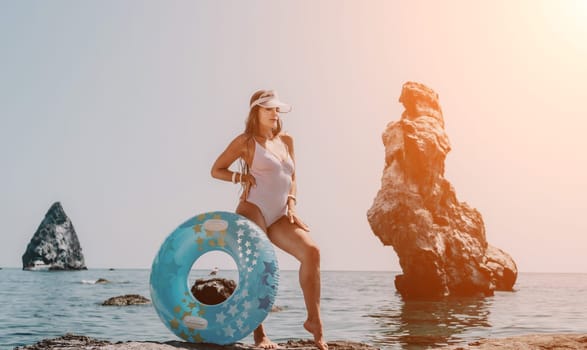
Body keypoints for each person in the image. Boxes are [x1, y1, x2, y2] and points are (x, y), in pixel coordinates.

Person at [211, 90, 327, 350]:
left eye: (277, 110)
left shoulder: (287, 140)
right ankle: (260, 336)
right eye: (269, 109)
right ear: (256, 112)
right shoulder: (245, 141)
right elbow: (216, 169)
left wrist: (292, 203)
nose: (275, 114)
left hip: (281, 214)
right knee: (258, 266)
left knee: (312, 252)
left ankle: (314, 322)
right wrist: (240, 178)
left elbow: (292, 177)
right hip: (253, 208)